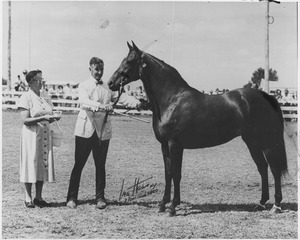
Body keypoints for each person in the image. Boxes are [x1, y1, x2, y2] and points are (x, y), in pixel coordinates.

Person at [66, 57, 140, 209]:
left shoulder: (108, 86)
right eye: (96, 70)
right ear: (90, 69)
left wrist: (137, 103)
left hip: (102, 132)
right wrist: (102, 106)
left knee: (100, 165)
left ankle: (100, 197)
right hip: (85, 131)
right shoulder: (84, 85)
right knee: (78, 165)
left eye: (101, 70)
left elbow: (122, 98)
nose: (99, 72)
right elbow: (84, 102)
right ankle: (72, 197)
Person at [18, 69, 61, 208]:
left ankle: (39, 196)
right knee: (31, 163)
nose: (41, 82)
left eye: (42, 79)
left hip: (44, 134)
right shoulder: (26, 97)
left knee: (43, 164)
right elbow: (25, 120)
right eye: (38, 80)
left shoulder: (44, 96)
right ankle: (28, 196)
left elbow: (49, 114)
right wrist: (43, 118)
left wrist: (53, 118)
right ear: (30, 82)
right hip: (31, 134)